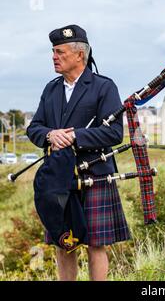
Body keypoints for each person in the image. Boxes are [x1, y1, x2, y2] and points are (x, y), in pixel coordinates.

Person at [27, 24, 131, 281]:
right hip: (59, 178)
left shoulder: (103, 87)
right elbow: (35, 128)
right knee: (65, 243)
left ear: (79, 55)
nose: (54, 57)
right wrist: (50, 135)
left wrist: (74, 136)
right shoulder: (51, 89)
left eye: (60, 52)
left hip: (96, 174)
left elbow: (115, 133)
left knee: (96, 243)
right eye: (53, 52)